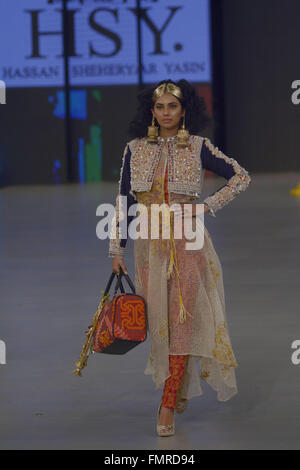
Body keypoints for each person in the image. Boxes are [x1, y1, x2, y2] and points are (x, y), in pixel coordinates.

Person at [108, 79, 251, 436]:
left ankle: (167, 404)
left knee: (183, 320)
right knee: (160, 325)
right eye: (161, 107)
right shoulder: (135, 149)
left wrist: (205, 208)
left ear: (184, 110)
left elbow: (240, 176)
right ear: (152, 111)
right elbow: (124, 201)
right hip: (149, 246)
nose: (167, 113)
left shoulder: (199, 147)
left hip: (188, 245)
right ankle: (178, 385)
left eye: (173, 106)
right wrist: (116, 248)